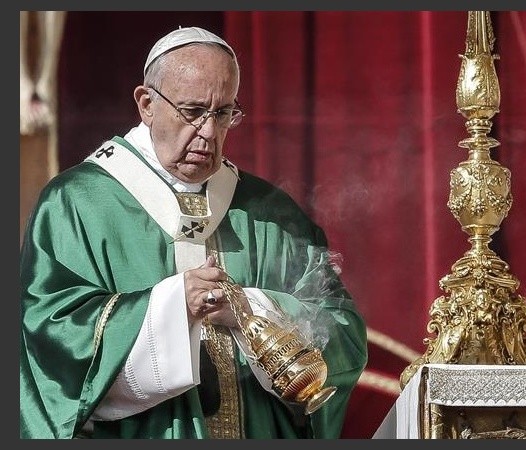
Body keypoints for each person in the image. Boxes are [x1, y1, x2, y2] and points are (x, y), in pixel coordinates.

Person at [20, 26, 368, 439]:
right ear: (146, 104)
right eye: (192, 111)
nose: (208, 132)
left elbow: (343, 331)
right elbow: (49, 341)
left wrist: (253, 310)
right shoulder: (78, 204)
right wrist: (169, 308)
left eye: (223, 113)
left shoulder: (266, 211)